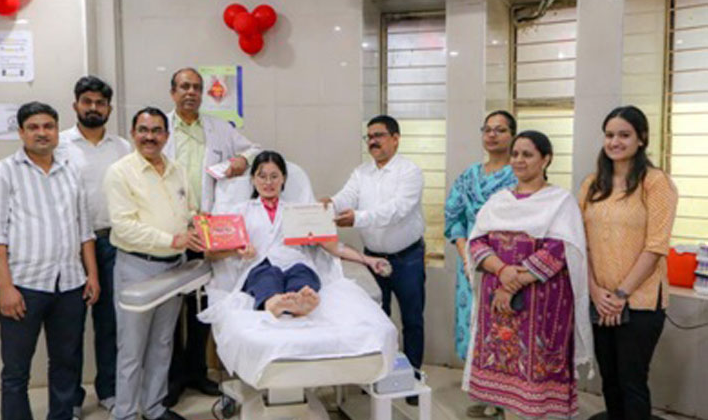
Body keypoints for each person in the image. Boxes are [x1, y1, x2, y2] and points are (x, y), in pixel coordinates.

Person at [463, 131, 593, 419]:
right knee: (502, 354)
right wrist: (502, 270)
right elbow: (477, 241)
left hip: (541, 299)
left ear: (546, 159)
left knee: (536, 363)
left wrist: (511, 285)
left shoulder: (560, 201)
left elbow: (559, 249)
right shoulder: (499, 200)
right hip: (496, 297)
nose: (519, 160)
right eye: (515, 154)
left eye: (527, 154)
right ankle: (501, 407)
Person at [0, 101, 99, 420]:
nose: (42, 133)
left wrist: (92, 275)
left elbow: (84, 230)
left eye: (48, 126)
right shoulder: (3, 172)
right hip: (23, 287)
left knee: (66, 363)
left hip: (70, 285)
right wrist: (6, 288)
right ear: (21, 132)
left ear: (57, 131)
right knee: (16, 371)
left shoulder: (71, 171)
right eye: (33, 127)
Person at [164, 67, 260, 405]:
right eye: (184, 86)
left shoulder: (219, 128)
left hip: (206, 229)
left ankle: (197, 371)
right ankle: (173, 377)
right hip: (171, 229)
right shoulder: (161, 128)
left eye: (196, 87)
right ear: (173, 92)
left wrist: (240, 160)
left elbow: (254, 150)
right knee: (170, 309)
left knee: (201, 304)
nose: (191, 92)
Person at [104, 107, 203, 420]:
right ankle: (125, 414)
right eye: (144, 130)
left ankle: (154, 407)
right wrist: (172, 240)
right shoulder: (120, 173)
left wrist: (201, 227)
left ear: (166, 135)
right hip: (137, 268)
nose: (150, 137)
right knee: (131, 349)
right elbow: (124, 227)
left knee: (162, 343)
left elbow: (190, 210)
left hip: (174, 268)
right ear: (133, 134)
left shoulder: (177, 170)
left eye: (157, 130)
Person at [579, 106, 677, 420]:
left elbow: (656, 246)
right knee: (609, 379)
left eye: (624, 135)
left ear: (641, 139)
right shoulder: (592, 184)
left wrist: (621, 295)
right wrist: (595, 292)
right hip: (599, 299)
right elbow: (581, 243)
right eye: (609, 135)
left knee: (631, 380)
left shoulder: (656, 183)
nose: (615, 142)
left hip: (640, 301)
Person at [208, 151, 391, 317]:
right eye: (262, 176)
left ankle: (300, 300)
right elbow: (211, 253)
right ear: (253, 180)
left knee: (302, 275)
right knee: (266, 276)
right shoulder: (239, 212)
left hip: (295, 262)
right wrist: (238, 252)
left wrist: (368, 260)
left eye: (274, 176)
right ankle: (273, 301)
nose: (268, 182)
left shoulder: (301, 211)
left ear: (283, 179)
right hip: (259, 264)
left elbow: (334, 247)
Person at [323, 114, 425, 405]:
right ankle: (377, 376)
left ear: (395, 139)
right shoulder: (362, 172)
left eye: (378, 135)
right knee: (375, 318)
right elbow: (346, 197)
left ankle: (412, 379)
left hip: (407, 258)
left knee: (412, 319)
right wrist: (327, 204)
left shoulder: (409, 172)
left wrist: (358, 218)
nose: (373, 141)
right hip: (371, 259)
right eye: (369, 137)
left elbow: (398, 209)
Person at [59, 75, 131, 417]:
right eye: (87, 102)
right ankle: (70, 398)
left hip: (113, 243)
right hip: (71, 247)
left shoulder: (123, 147)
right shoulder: (59, 144)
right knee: (70, 326)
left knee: (110, 322)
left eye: (100, 103)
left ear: (109, 109)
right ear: (75, 105)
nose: (93, 108)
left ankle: (109, 389)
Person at [444, 110, 517, 418]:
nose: (492, 135)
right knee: (474, 327)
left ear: (512, 135)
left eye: (500, 130)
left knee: (505, 331)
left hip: (507, 267)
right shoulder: (469, 176)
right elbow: (454, 219)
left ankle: (508, 399)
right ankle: (486, 394)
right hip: (470, 265)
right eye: (487, 129)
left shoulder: (519, 176)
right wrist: (466, 256)